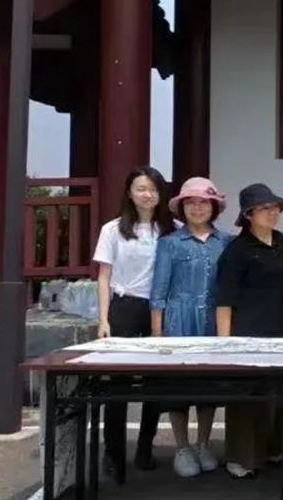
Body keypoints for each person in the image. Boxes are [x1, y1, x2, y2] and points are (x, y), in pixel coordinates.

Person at [93, 166, 177, 475]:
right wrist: (103, 319)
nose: (147, 194)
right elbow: (104, 277)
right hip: (125, 307)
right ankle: (113, 453)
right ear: (129, 192)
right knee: (119, 383)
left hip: (160, 309)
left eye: (153, 189)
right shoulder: (112, 229)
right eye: (141, 188)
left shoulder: (172, 229)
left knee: (155, 382)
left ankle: (145, 448)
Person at [149, 177, 232, 478]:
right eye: (191, 203)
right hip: (178, 321)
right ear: (182, 207)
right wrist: (157, 335)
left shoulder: (227, 242)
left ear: (214, 207)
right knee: (179, 387)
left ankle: (203, 443)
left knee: (208, 386)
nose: (198, 208)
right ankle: (182, 447)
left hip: (212, 320)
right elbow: (158, 292)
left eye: (204, 202)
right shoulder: (169, 243)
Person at [215, 183, 283, 479]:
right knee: (246, 397)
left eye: (274, 208)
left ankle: (273, 450)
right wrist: (225, 342)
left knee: (276, 394)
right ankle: (240, 458)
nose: (272, 213)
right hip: (246, 331)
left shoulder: (281, 242)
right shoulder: (237, 250)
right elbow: (224, 299)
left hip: (279, 328)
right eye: (264, 209)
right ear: (248, 215)